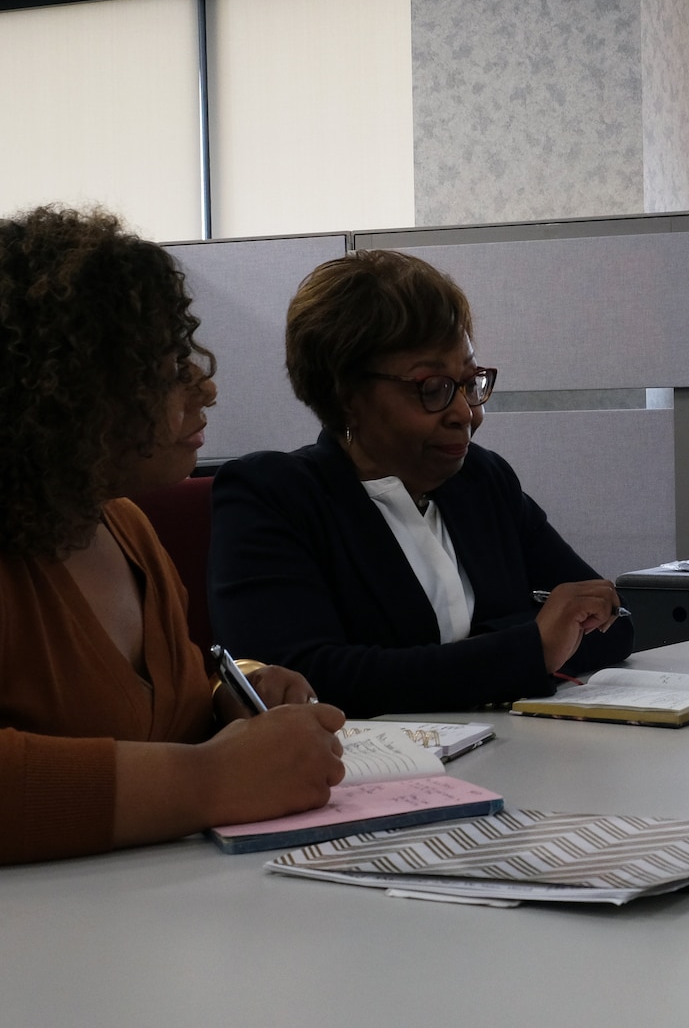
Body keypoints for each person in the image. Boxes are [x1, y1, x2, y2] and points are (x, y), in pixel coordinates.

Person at [0, 207, 347, 874]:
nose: (203, 387)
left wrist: (228, 696)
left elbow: (130, 713)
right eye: (166, 366)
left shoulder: (119, 523)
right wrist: (207, 780)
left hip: (140, 938)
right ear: (48, 390)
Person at [208, 250, 632, 718]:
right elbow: (304, 679)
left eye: (469, 382)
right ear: (346, 396)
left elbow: (610, 619)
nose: (466, 413)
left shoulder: (482, 480)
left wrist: (461, 657)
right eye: (433, 388)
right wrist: (526, 647)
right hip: (370, 779)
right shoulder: (273, 495)